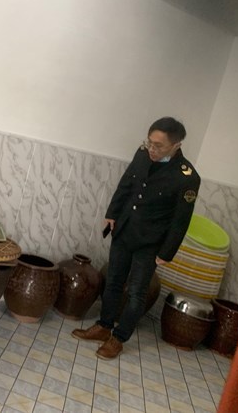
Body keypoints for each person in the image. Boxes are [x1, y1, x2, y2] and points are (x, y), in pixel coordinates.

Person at [71, 117, 201, 360]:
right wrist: (112, 213)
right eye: (149, 142)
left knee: (136, 292)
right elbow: (127, 184)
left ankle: (119, 338)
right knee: (113, 281)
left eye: (158, 146)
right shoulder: (142, 154)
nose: (152, 149)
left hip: (150, 243)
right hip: (125, 229)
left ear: (176, 145)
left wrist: (167, 252)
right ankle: (103, 326)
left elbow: (181, 220)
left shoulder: (187, 177)